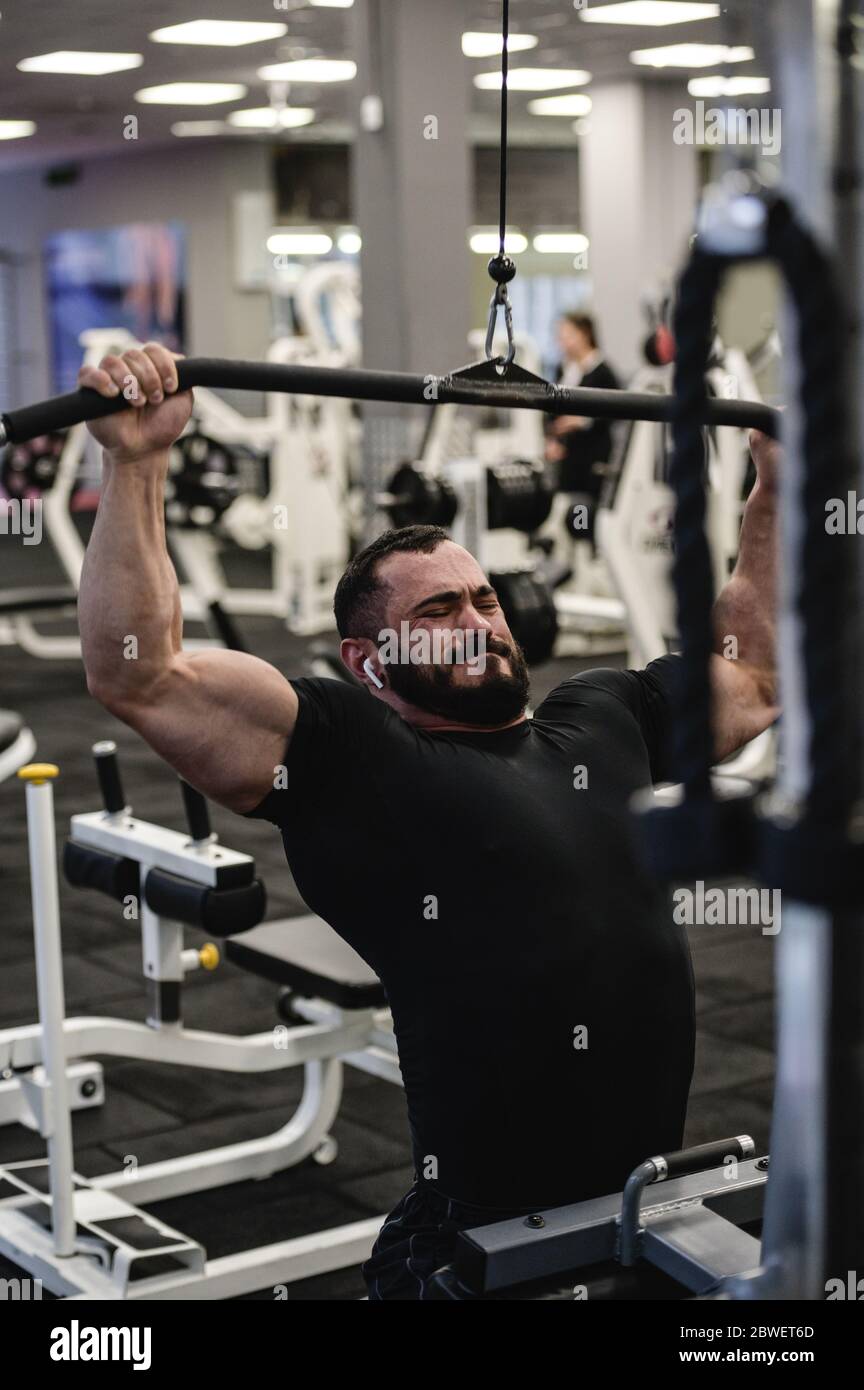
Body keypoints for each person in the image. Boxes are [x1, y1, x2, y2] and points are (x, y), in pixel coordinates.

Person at [77, 342, 780, 1300]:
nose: (484, 620)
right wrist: (136, 461)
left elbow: (755, 672)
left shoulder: (606, 713)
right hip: (479, 1239)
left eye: (485, 597)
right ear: (368, 661)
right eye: (443, 609)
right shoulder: (353, 759)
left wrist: (780, 480)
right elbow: (139, 672)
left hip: (645, 1201)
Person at [546, 313, 621, 537]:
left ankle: (588, 551)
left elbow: (615, 410)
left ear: (584, 334)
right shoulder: (564, 370)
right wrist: (552, 440)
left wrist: (581, 422)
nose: (562, 341)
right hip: (568, 459)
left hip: (592, 457)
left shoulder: (603, 371)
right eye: (560, 336)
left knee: (586, 512)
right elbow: (550, 412)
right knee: (566, 509)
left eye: (567, 335)